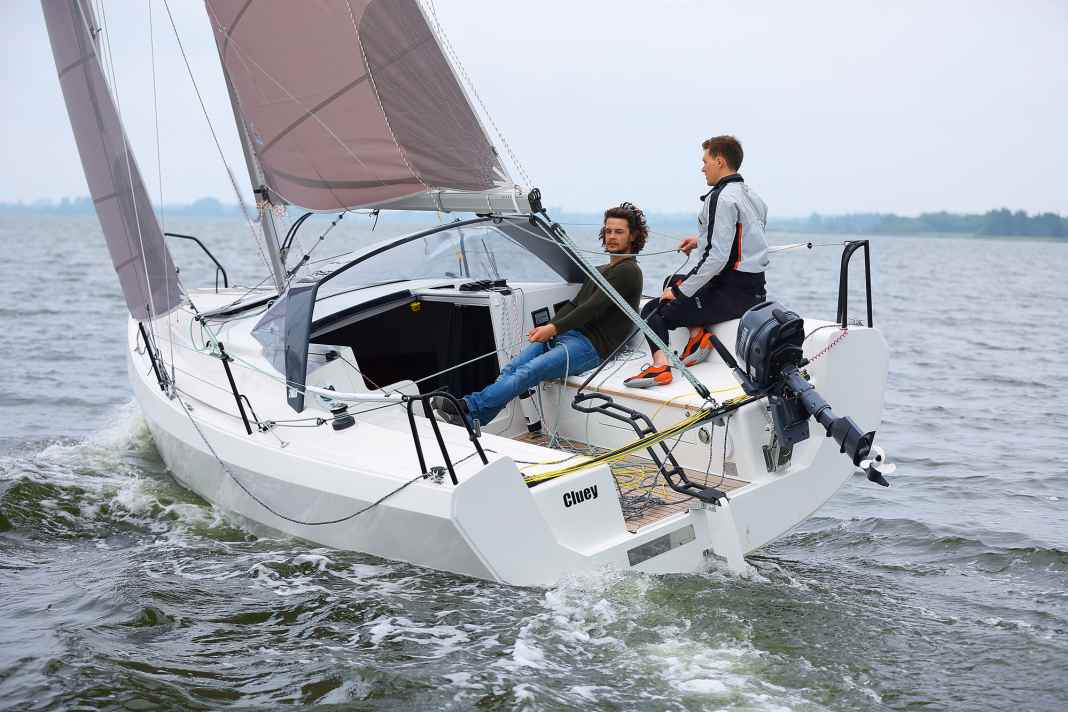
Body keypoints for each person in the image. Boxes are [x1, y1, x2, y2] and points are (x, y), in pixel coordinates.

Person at [433, 203, 646, 427]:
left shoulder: (629, 271)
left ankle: (468, 406)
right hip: (568, 335)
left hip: (593, 347)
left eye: (619, 232)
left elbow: (590, 308)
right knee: (512, 369)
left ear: (633, 236)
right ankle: (473, 418)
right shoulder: (602, 269)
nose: (611, 236)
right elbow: (575, 304)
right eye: (608, 231)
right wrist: (552, 327)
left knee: (528, 371)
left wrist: (553, 329)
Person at [625, 135, 769, 388]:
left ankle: (660, 369)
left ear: (720, 161)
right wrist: (700, 241)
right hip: (753, 288)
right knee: (673, 279)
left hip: (731, 292)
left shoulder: (720, 197)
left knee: (654, 311)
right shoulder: (752, 196)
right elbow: (741, 239)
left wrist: (679, 292)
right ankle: (698, 337)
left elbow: (716, 259)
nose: (702, 168)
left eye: (705, 161)